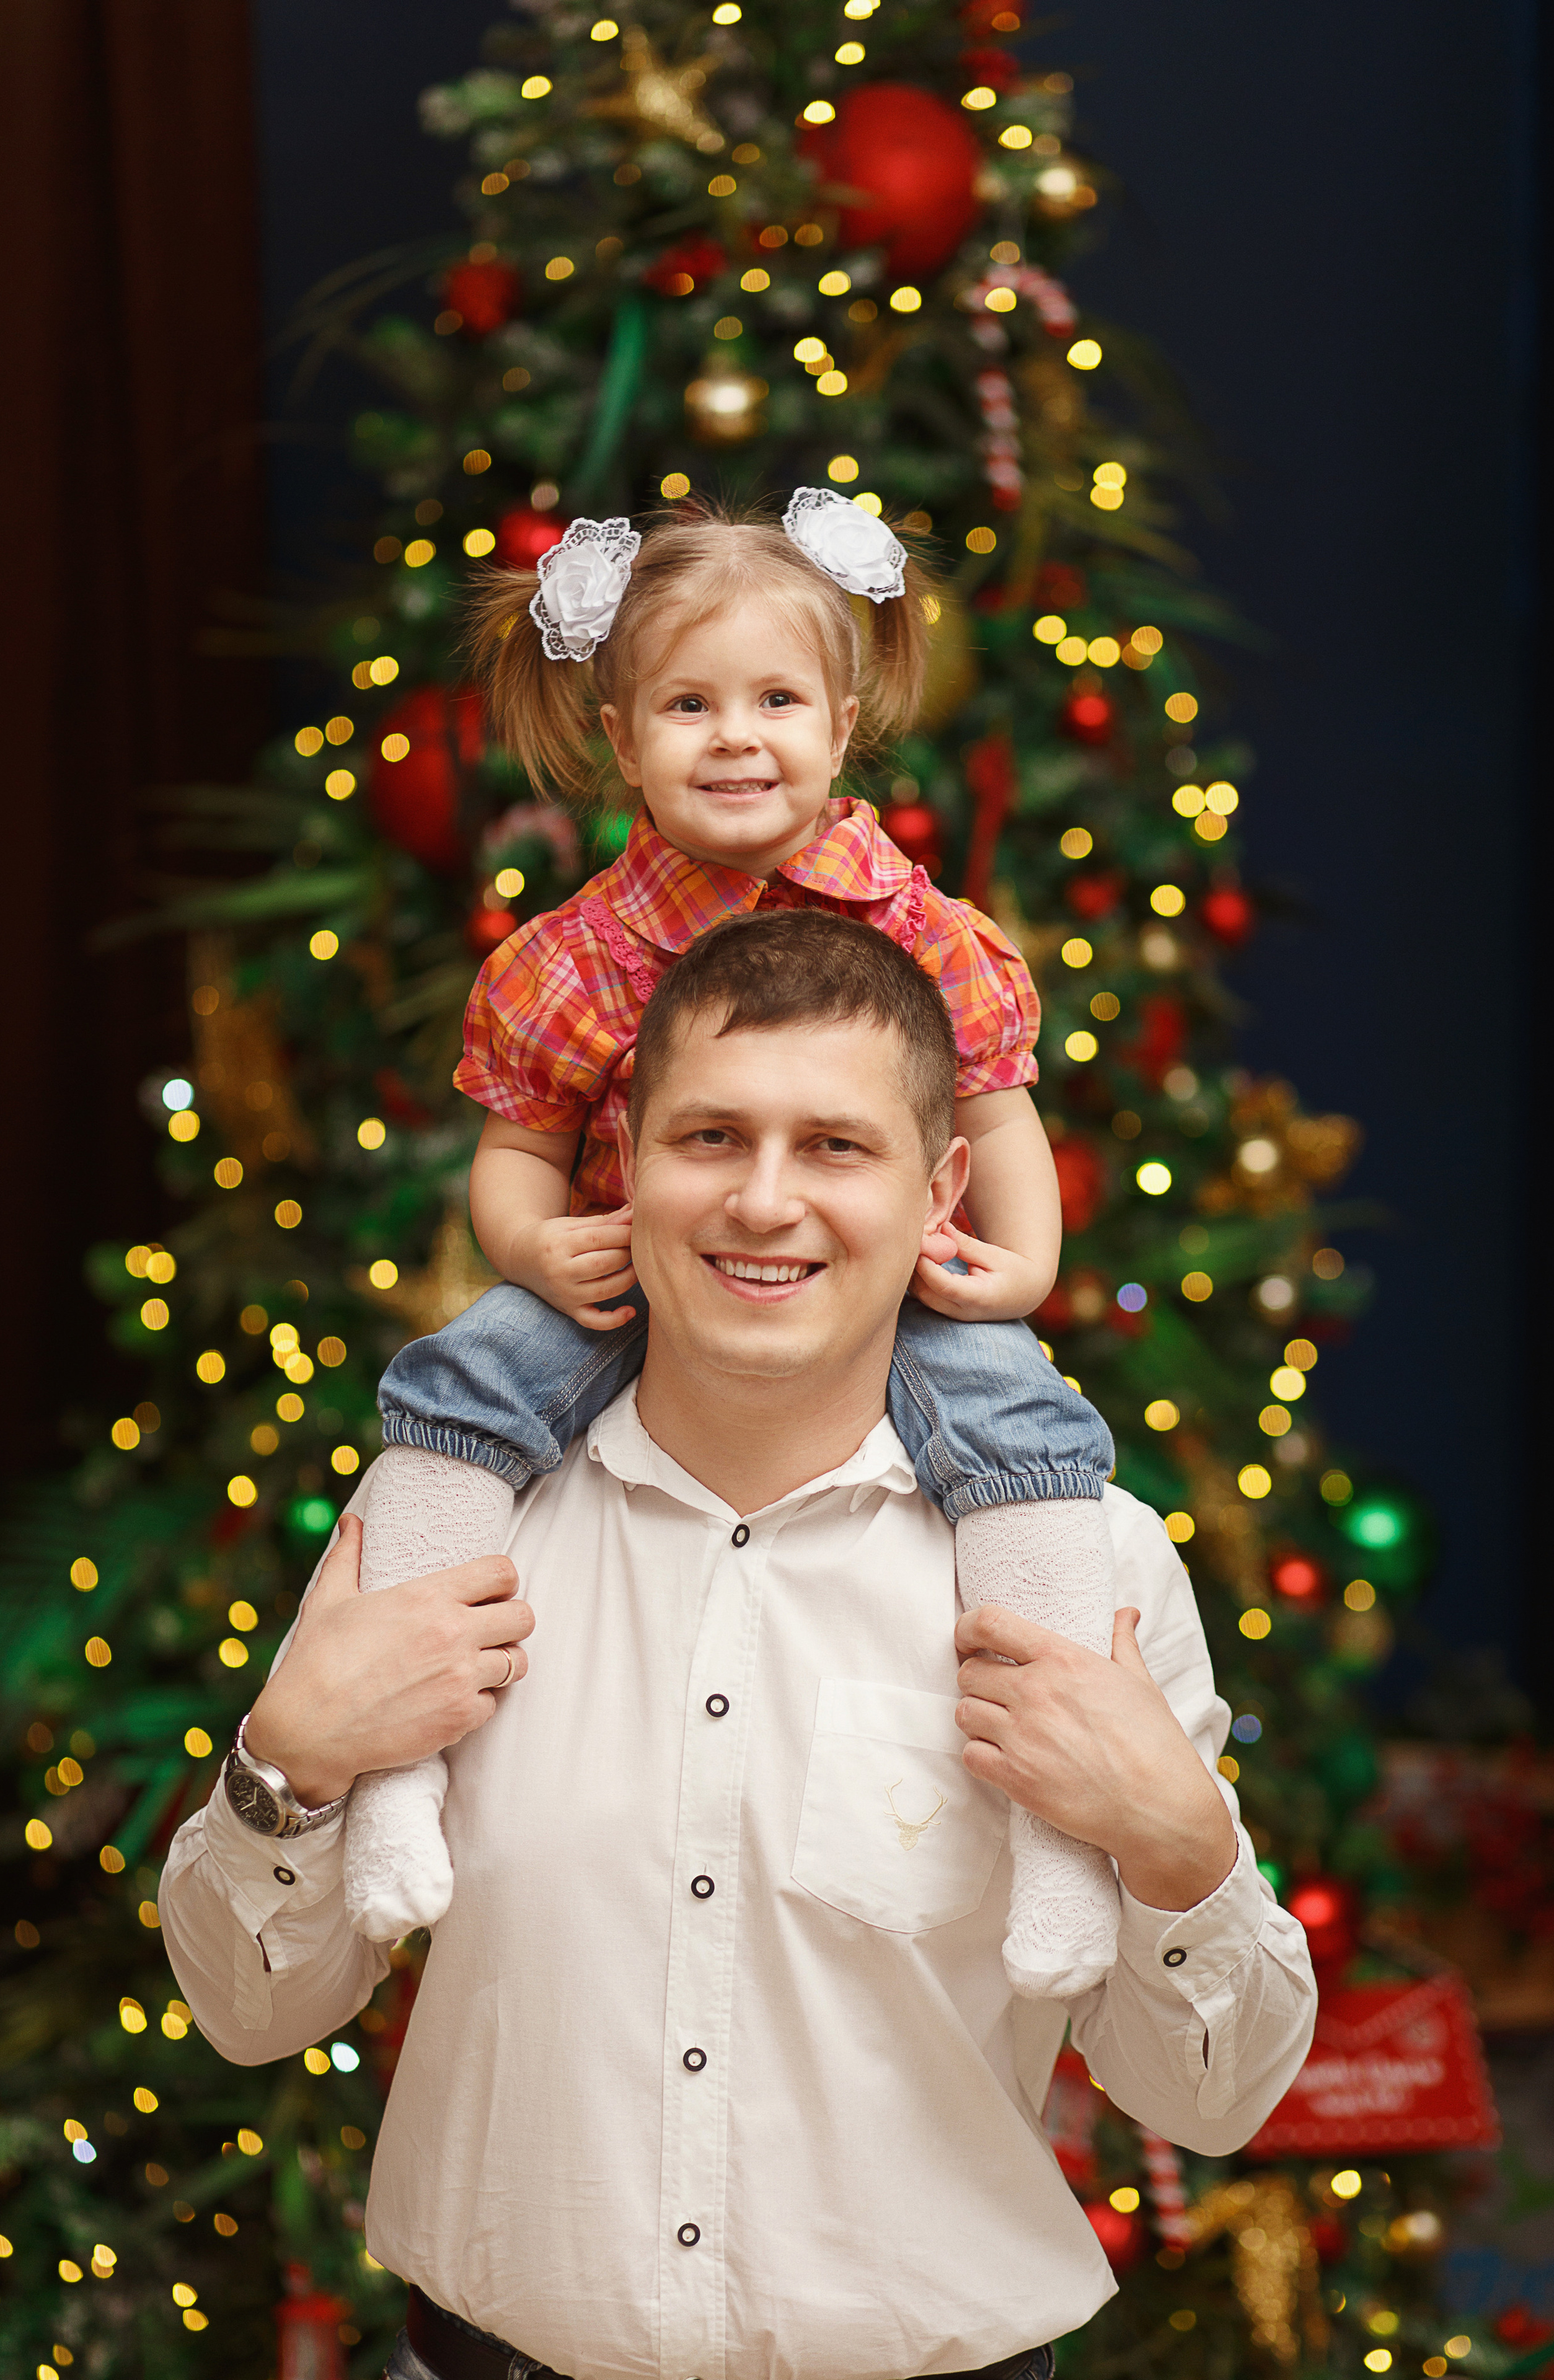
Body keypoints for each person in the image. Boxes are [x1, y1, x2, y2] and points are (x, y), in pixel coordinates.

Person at [159, 910, 1316, 2380]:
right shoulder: (447, 1541)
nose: (764, 1201)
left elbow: (1206, 2102)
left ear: (940, 1188)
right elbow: (253, 2013)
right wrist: (285, 1768)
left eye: (835, 1147)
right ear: (626, 1163)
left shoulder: (1084, 1570)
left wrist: (1173, 1842)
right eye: (709, 1137)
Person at [350, 492, 1119, 1999]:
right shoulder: (576, 955)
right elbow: (509, 1153)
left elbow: (997, 1110)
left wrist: (1017, 1269)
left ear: (841, 724)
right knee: (454, 1393)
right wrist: (533, 1251)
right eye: (688, 705)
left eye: (774, 700)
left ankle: (1063, 1839)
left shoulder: (923, 933)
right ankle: (389, 1770)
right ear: (622, 740)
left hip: (862, 1291)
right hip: (629, 1278)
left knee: (1027, 1431)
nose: (735, 737)